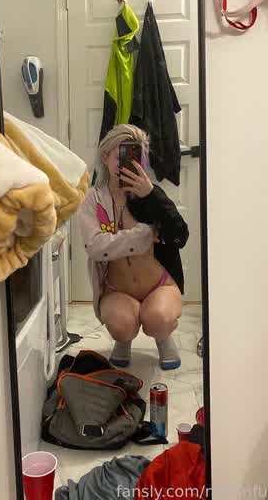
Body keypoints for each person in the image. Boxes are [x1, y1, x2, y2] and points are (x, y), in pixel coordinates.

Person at [78, 124, 189, 369]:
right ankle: (124, 340)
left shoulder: (151, 195)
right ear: (105, 157)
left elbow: (180, 235)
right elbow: (95, 247)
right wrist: (144, 235)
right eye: (121, 155)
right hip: (116, 289)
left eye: (135, 156)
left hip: (159, 284)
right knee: (121, 325)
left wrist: (152, 195)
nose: (127, 163)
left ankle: (164, 337)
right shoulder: (93, 199)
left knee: (158, 318)